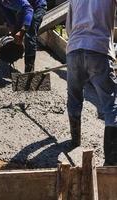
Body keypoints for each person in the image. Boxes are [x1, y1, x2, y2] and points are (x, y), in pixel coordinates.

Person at [66, 0, 117, 165]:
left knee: (74, 96)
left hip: (74, 50)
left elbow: (68, 27)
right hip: (99, 49)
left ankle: (75, 140)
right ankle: (111, 160)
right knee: (111, 105)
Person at [0, 0, 47, 72]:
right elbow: (7, 12)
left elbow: (29, 9)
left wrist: (22, 31)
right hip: (24, 8)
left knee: (29, 34)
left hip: (37, 6)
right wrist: (14, 28)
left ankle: (29, 70)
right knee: (16, 33)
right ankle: (15, 54)